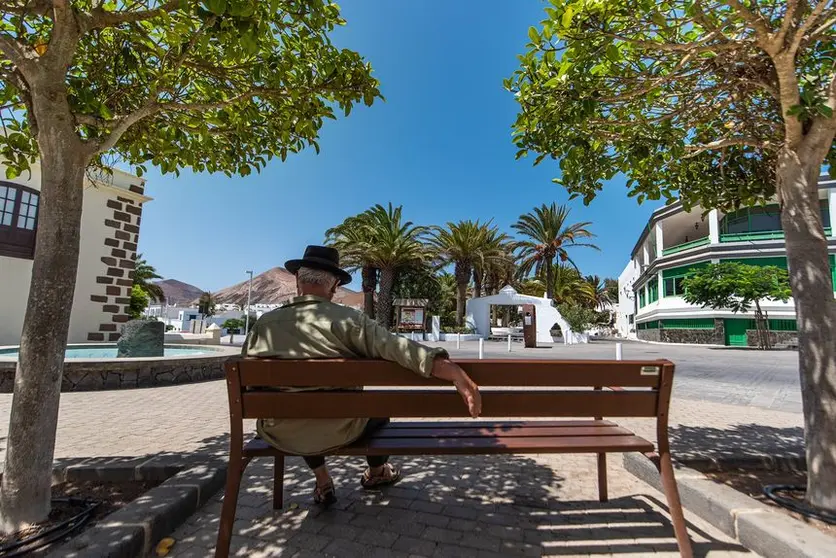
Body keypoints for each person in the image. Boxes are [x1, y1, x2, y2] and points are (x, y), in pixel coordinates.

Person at [243, 245, 482, 506]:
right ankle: (378, 473)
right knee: (376, 410)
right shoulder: (350, 320)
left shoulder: (264, 325)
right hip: (340, 430)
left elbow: (251, 385)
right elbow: (396, 347)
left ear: (298, 280)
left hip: (279, 431)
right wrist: (451, 370)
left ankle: (322, 480)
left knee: (298, 409)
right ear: (334, 286)